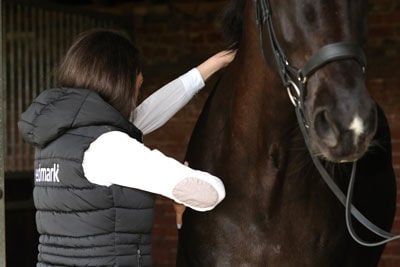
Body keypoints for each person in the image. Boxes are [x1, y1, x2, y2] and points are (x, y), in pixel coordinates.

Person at [18, 28, 235, 266]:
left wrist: (214, 64)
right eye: (137, 87)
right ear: (119, 83)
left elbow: (149, 112)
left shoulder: (61, 135)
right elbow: (208, 193)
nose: (135, 97)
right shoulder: (109, 148)